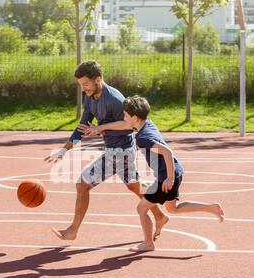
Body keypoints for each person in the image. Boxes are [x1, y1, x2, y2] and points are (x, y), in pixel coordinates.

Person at [80, 95, 225, 252]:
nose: (123, 117)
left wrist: (168, 178)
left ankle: (148, 243)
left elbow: (166, 152)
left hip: (166, 176)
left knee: (142, 209)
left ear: (134, 118)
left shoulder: (143, 138)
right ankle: (212, 208)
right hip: (175, 170)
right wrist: (101, 129)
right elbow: (124, 127)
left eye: (125, 115)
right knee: (173, 208)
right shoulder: (146, 123)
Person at [44, 61, 168, 241]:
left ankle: (73, 230)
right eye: (81, 85)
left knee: (82, 184)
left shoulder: (115, 100)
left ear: (98, 80)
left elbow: (130, 125)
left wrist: (101, 128)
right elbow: (83, 126)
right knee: (134, 185)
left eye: (86, 84)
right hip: (120, 151)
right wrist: (64, 150)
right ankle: (160, 216)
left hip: (120, 152)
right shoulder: (90, 97)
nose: (83, 89)